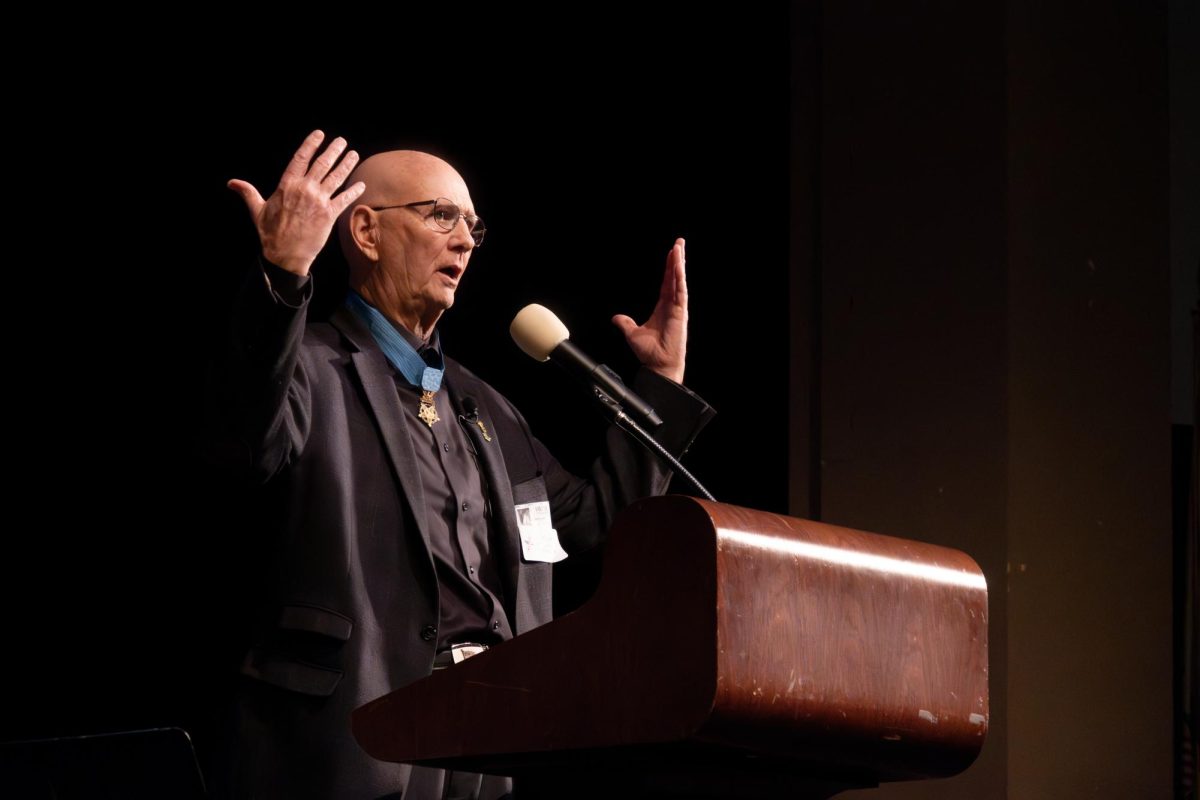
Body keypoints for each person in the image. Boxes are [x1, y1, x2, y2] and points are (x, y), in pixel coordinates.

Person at [209, 130, 714, 800]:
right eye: (440, 215)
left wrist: (658, 382)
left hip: (492, 746)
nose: (466, 240)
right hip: (351, 741)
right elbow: (244, 441)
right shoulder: (309, 370)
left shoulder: (489, 410)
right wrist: (282, 275)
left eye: (473, 224)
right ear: (365, 231)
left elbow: (592, 527)